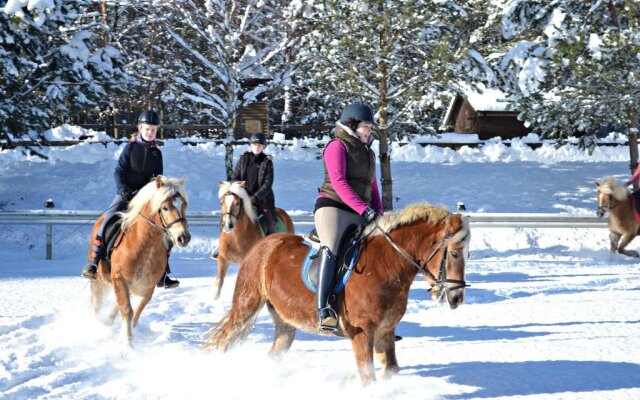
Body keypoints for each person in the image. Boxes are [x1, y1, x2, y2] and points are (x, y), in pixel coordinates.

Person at [81, 110, 180, 288]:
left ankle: (164, 273)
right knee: (109, 219)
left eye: (154, 130)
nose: (151, 132)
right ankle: (94, 262)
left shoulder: (157, 154)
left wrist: (153, 193)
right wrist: (123, 190)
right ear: (140, 128)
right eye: (148, 129)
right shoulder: (131, 148)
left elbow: (158, 179)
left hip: (145, 199)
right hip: (125, 194)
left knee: (167, 230)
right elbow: (118, 171)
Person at [313, 102, 384, 331]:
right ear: (352, 125)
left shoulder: (369, 153)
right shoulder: (337, 146)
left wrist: (380, 215)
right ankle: (324, 309)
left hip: (360, 210)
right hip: (333, 207)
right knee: (331, 248)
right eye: (366, 127)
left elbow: (373, 188)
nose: (369, 131)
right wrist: (364, 210)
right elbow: (339, 182)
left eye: (370, 128)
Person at [230, 132, 277, 235]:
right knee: (227, 216)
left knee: (269, 222)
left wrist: (255, 198)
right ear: (251, 145)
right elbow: (234, 178)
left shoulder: (267, 162)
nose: (257, 147)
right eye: (255, 145)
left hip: (261, 199)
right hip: (242, 198)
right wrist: (239, 187)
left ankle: (270, 240)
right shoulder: (243, 159)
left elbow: (267, 184)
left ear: (263, 146)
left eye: (259, 145)